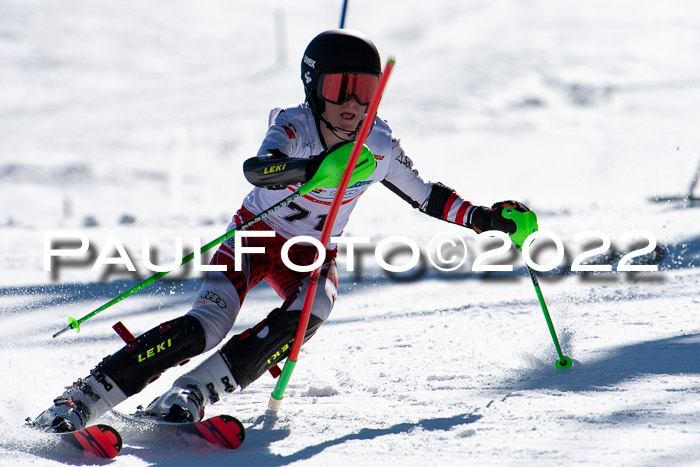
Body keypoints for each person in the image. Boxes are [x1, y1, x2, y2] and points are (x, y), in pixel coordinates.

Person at [33, 29, 529, 432]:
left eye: (367, 89)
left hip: (310, 253)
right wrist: (313, 170)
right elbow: (260, 168)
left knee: (317, 304)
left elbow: (428, 195)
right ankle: (85, 397)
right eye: (340, 88)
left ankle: (194, 392)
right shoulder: (293, 125)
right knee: (207, 325)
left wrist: (486, 218)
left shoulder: (378, 144)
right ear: (314, 87)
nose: (354, 102)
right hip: (251, 236)